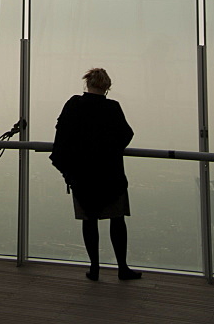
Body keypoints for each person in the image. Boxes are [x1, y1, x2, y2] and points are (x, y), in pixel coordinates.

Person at [49, 67, 142, 281]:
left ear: (87, 84)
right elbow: (126, 134)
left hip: (82, 175)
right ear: (107, 87)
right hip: (111, 175)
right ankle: (122, 267)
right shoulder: (113, 108)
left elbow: (61, 136)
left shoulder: (74, 105)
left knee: (89, 220)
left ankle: (95, 268)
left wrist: (70, 168)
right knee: (117, 220)